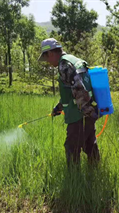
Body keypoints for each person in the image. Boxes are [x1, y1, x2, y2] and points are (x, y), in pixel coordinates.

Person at [38, 38, 100, 167]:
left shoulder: (64, 65)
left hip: (79, 114)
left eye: (47, 58)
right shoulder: (73, 60)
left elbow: (78, 89)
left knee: (72, 146)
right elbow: (72, 90)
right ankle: (95, 170)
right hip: (89, 109)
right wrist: (59, 107)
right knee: (89, 142)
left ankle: (74, 178)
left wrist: (87, 111)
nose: (48, 63)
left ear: (50, 53)